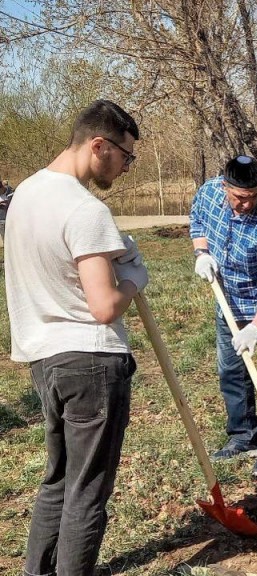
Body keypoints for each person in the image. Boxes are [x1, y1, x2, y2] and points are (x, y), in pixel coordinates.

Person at [5, 99, 147, 576]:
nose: (126, 167)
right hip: (90, 362)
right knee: (87, 493)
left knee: (58, 481)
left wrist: (111, 253)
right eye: (125, 156)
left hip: (44, 361)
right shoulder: (85, 208)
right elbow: (104, 306)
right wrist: (134, 278)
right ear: (98, 145)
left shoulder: (24, 194)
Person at [189, 155, 257, 477]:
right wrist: (202, 253)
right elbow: (197, 220)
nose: (246, 204)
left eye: (252, 196)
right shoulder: (209, 192)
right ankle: (242, 434)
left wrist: (256, 327)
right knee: (231, 370)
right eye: (239, 197)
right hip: (229, 299)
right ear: (224, 186)